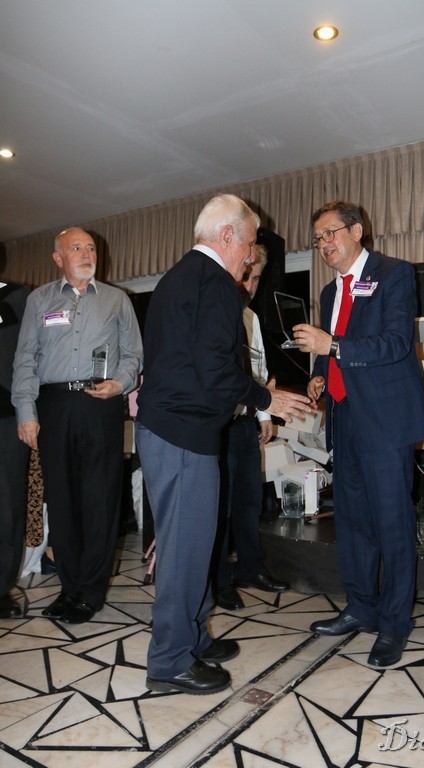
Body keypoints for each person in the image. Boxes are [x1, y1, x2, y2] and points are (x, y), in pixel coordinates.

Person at [136, 194, 313, 695]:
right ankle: (170, 661)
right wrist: (267, 398)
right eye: (251, 244)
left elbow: (196, 363)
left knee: (195, 545)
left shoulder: (179, 277)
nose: (252, 256)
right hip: (182, 435)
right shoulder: (213, 282)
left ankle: (192, 638)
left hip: (176, 432)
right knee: (184, 553)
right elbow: (215, 369)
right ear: (228, 236)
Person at [292, 200, 424, 667]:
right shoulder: (329, 292)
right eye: (318, 239)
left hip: (386, 420)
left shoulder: (394, 274)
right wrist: (318, 374)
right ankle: (360, 607)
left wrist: (330, 345)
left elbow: (395, 343)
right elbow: (330, 352)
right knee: (351, 522)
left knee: (392, 523)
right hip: (344, 416)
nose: (323, 244)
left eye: (330, 233)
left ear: (357, 231)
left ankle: (394, 625)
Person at [12, 227, 143, 624]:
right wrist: (26, 412)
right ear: (58, 258)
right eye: (76, 248)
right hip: (53, 406)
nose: (87, 253)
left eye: (91, 248)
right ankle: (69, 588)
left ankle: (90, 591)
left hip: (99, 405)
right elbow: (25, 358)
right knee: (62, 501)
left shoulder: (118, 299)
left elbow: (134, 355)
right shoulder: (39, 300)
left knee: (99, 500)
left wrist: (120, 383)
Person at [213, 244, 289, 612]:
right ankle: (219, 580)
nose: (251, 284)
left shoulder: (251, 318)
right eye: (247, 276)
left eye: (257, 278)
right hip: (219, 426)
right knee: (222, 508)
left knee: (249, 502)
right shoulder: (216, 312)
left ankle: (250, 567)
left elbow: (257, 372)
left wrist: (264, 417)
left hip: (245, 424)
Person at [0, 280, 30, 618]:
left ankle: (1, 588)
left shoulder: (15, 297)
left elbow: (28, 354)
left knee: (6, 507)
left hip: (6, 419)